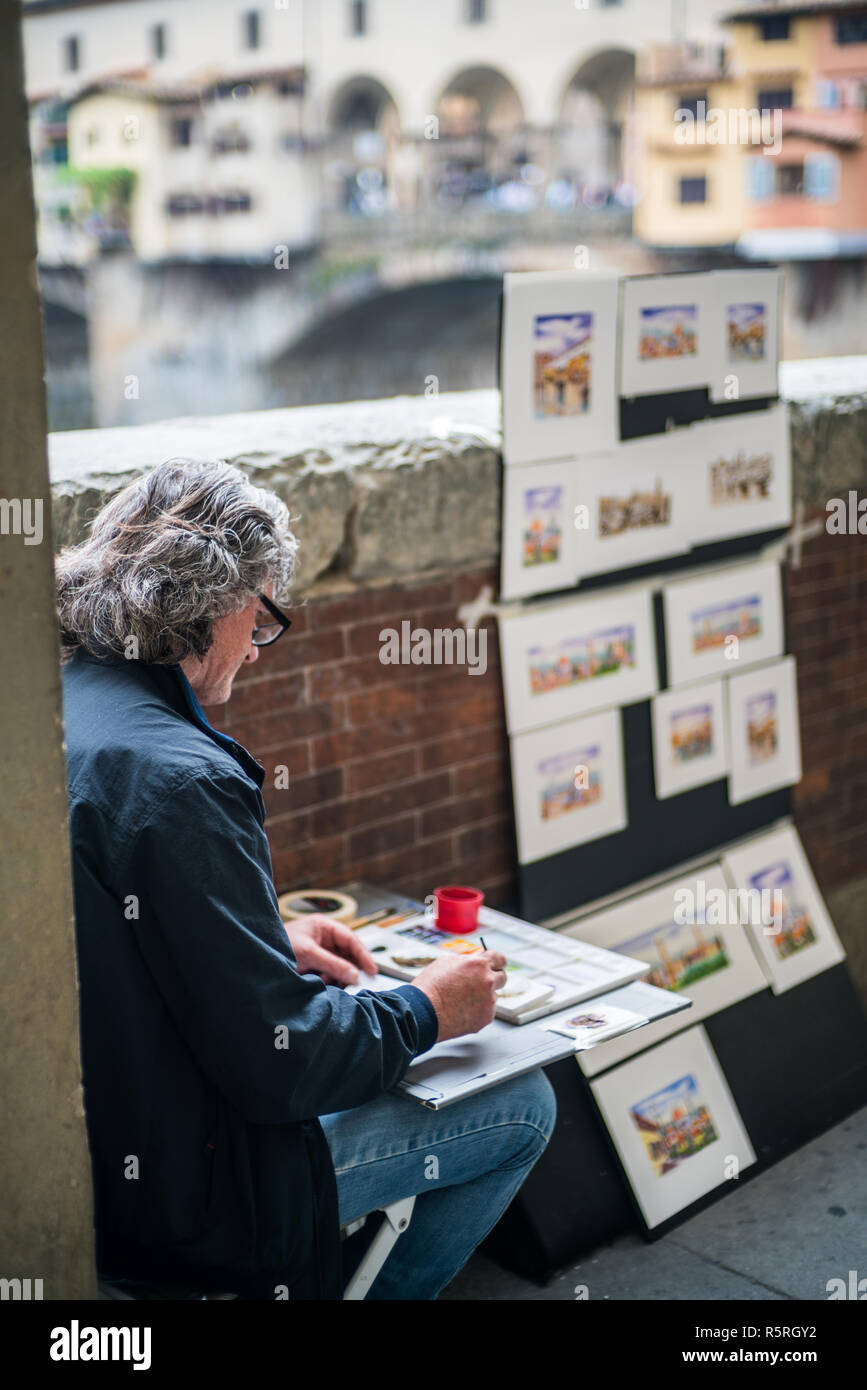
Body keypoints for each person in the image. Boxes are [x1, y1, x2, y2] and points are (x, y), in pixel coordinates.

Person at [57, 457, 556, 1300]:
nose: (257, 648)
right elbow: (278, 1065)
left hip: (90, 1143)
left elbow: (106, 934)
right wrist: (427, 1008)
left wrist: (261, 940)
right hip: (188, 1199)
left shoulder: (63, 702)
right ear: (215, 606)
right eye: (260, 618)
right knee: (523, 1105)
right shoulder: (183, 776)